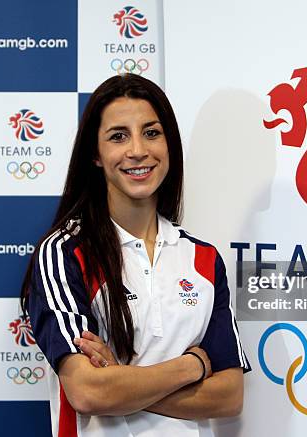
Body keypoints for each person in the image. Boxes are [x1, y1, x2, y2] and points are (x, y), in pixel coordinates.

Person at [20, 73, 250, 437]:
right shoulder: (64, 252)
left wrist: (120, 380)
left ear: (169, 144)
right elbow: (87, 390)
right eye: (118, 136)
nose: (138, 150)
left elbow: (229, 396)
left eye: (152, 132)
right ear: (95, 154)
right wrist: (192, 366)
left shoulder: (203, 259)